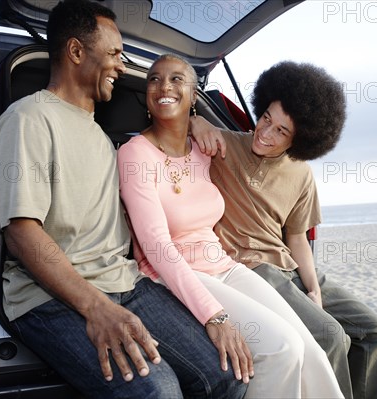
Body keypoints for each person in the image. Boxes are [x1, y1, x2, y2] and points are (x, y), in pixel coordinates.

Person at [0, 1, 247, 398]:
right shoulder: (29, 120)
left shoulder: (102, 137)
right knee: (157, 391)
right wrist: (96, 308)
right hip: (50, 296)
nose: (122, 67)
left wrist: (194, 120)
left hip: (124, 283)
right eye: (113, 54)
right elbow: (22, 234)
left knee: (223, 374)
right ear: (76, 52)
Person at [117, 54, 344, 399]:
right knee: (282, 350)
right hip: (175, 274)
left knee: (309, 350)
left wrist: (199, 124)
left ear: (195, 95)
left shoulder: (205, 150)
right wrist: (215, 316)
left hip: (225, 266)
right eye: (154, 79)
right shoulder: (135, 154)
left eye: (177, 79)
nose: (164, 86)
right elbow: (156, 247)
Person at [190, 61, 377, 399]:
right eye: (266, 118)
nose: (265, 133)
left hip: (290, 268)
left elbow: (297, 237)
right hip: (254, 269)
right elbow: (173, 126)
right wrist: (195, 122)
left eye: (281, 131)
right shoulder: (222, 145)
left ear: (301, 139)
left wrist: (313, 288)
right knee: (330, 336)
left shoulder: (301, 174)